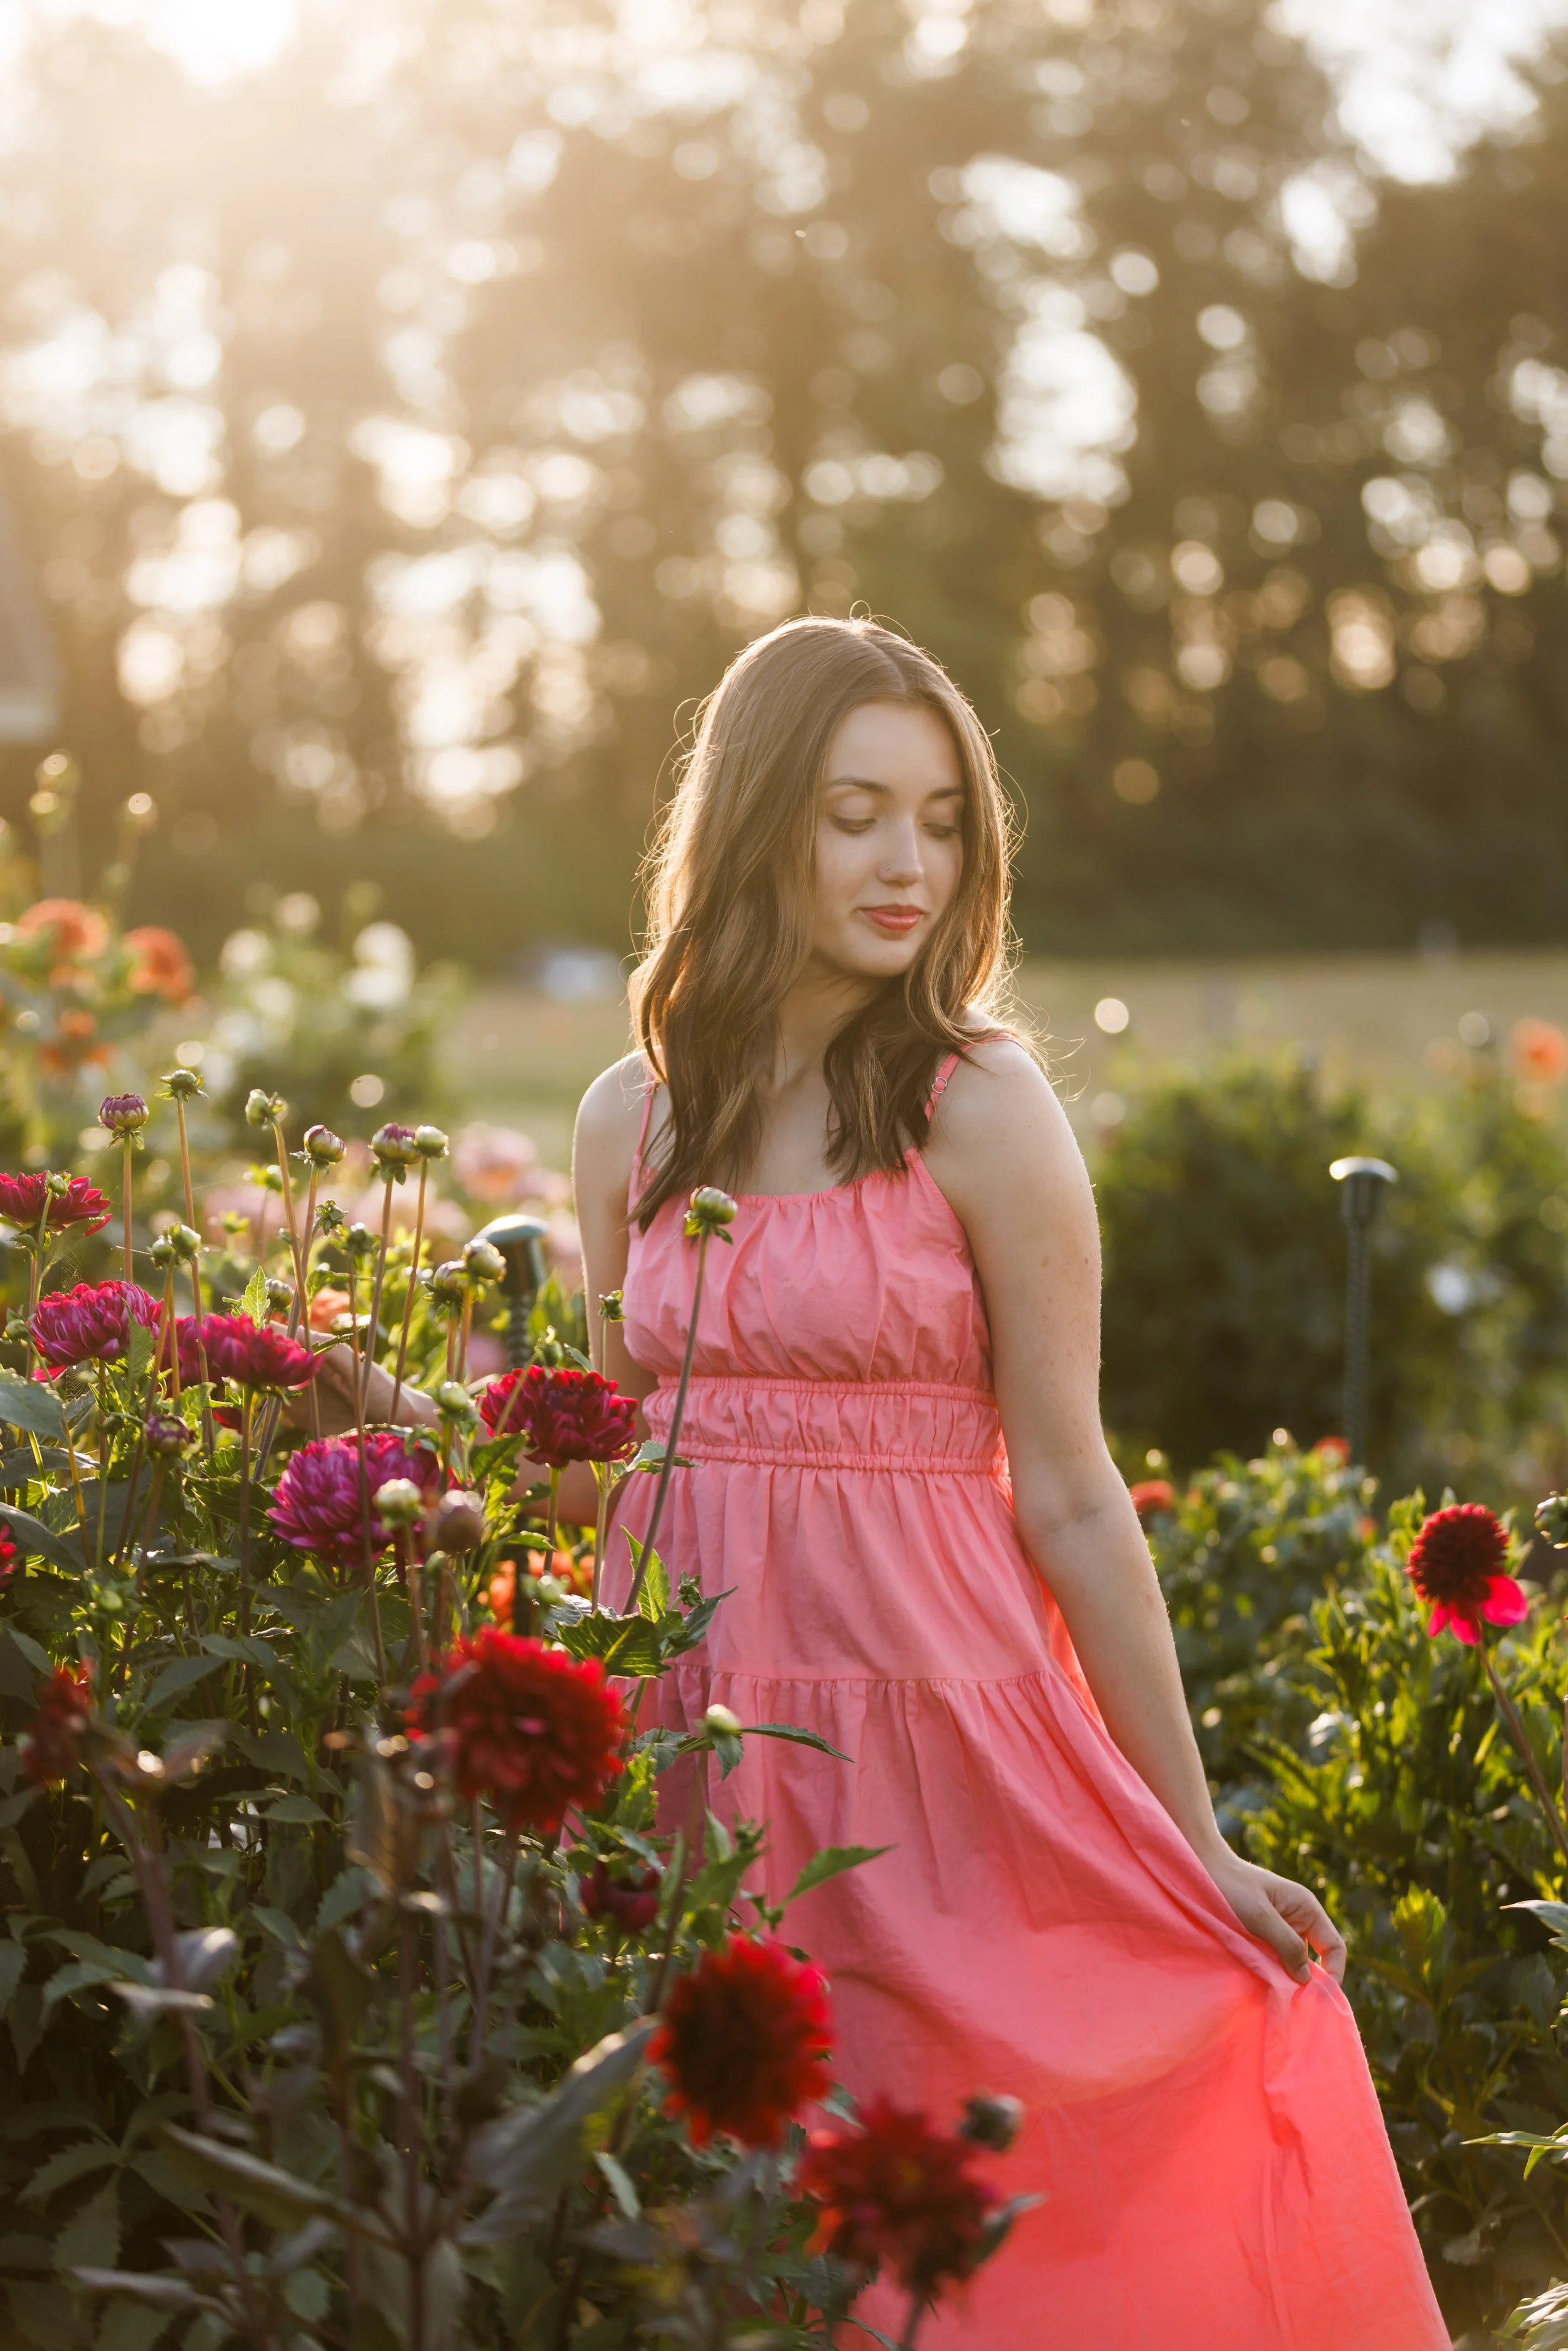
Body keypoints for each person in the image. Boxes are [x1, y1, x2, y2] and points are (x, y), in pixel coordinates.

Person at [569, 617, 1449, 2348]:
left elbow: (1067, 1489)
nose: (909, 864)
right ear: (753, 822)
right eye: (854, 816)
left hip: (937, 1763)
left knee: (973, 2231)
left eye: (943, 821)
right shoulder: (632, 1121)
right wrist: (383, 1418)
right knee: (726, 2236)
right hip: (694, 1748)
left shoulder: (976, 1106)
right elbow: (605, 1452)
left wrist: (1191, 1834)